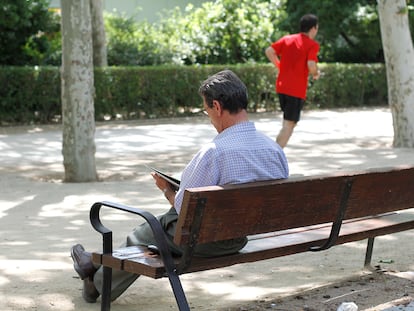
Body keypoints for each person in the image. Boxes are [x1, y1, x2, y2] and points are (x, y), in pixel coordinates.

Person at [70, 69, 289, 303]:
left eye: (207, 112)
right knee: (158, 228)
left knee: (150, 230)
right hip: (241, 237)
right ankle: (93, 263)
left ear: (217, 106)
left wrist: (167, 189)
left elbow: (184, 209)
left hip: (203, 243)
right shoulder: (274, 150)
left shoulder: (213, 153)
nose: (210, 119)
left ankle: (95, 277)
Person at [265, 14, 320, 148]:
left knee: (289, 124)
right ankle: (273, 155)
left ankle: (274, 153)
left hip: (282, 87)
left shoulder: (287, 39)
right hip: (295, 90)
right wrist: (316, 73)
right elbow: (311, 65)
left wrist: (279, 66)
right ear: (313, 28)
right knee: (289, 125)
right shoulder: (312, 45)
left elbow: (269, 51)